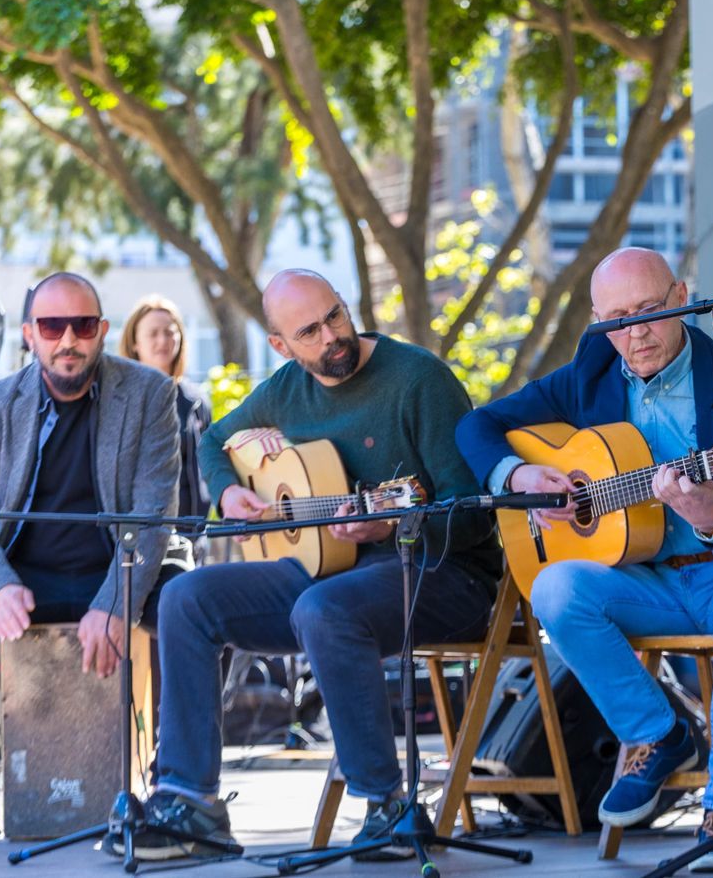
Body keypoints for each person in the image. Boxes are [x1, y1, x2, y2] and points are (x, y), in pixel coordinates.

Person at [127, 269, 499, 862]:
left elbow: (475, 513)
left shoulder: (417, 379)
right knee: (186, 598)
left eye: (336, 316)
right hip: (330, 572)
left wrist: (394, 523)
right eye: (310, 331)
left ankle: (388, 805)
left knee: (324, 609)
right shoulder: (285, 388)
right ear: (282, 346)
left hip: (442, 574)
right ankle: (190, 803)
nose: (332, 337)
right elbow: (213, 439)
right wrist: (229, 492)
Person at [455, 247, 713, 871]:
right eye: (617, 319)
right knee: (556, 589)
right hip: (641, 584)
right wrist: (521, 472)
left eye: (648, 311)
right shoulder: (591, 372)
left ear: (681, 297)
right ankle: (660, 734)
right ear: (597, 321)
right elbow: (476, 425)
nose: (635, 333)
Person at [0, 272, 181, 847]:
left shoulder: (150, 394)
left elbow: (154, 518)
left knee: (198, 607)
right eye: (53, 326)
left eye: (82, 325)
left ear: (102, 331)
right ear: (30, 335)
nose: (68, 339)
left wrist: (116, 602)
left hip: (121, 571)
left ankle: (174, 793)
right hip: (26, 577)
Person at [119, 295, 212, 519]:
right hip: (137, 538)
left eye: (170, 332)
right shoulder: (120, 402)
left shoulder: (197, 401)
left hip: (191, 535)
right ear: (134, 342)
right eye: (153, 333)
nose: (163, 340)